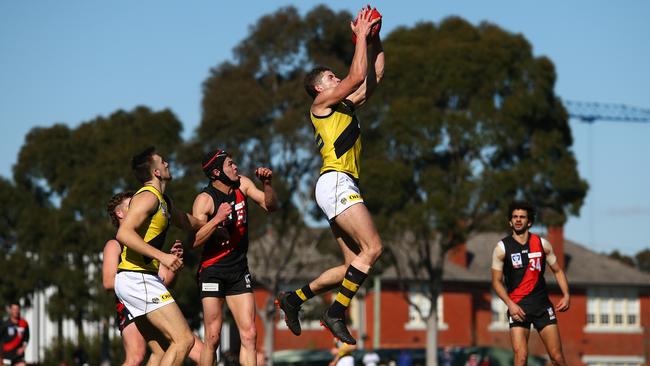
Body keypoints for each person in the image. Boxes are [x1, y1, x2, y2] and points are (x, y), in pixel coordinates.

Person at [276, 5, 385, 345]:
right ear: (320, 90)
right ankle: (335, 313)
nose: (336, 79)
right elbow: (355, 77)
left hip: (336, 185)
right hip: (336, 181)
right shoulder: (321, 106)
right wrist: (360, 38)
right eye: (330, 79)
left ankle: (293, 298)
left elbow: (373, 77)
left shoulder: (343, 106)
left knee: (351, 266)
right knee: (374, 248)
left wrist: (375, 41)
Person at [115, 146, 210, 366]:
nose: (167, 163)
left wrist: (214, 224)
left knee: (159, 352)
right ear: (156, 172)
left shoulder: (162, 201)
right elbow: (124, 233)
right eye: (163, 161)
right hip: (138, 278)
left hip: (135, 279)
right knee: (184, 340)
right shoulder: (147, 197)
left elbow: (186, 221)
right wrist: (163, 257)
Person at [192, 149, 278, 366]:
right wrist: (217, 219)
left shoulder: (243, 184)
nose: (235, 167)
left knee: (249, 334)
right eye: (229, 164)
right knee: (212, 336)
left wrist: (267, 184)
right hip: (213, 272)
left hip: (239, 271)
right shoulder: (205, 200)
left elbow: (271, 206)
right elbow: (194, 240)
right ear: (215, 173)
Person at [103, 191, 203, 365]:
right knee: (137, 356)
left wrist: (173, 263)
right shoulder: (115, 244)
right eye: (130, 205)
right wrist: (146, 283)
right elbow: (108, 282)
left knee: (161, 351)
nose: (137, 207)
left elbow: (167, 281)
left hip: (149, 294)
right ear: (120, 213)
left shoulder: (147, 243)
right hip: (130, 302)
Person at [491, 201, 570, 366]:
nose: (518, 220)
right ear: (510, 221)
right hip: (518, 309)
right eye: (515, 217)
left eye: (522, 217)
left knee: (557, 357)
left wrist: (566, 295)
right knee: (521, 357)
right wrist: (510, 305)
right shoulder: (501, 248)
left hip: (542, 307)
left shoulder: (542, 244)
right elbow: (496, 282)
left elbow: (557, 270)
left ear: (529, 222)